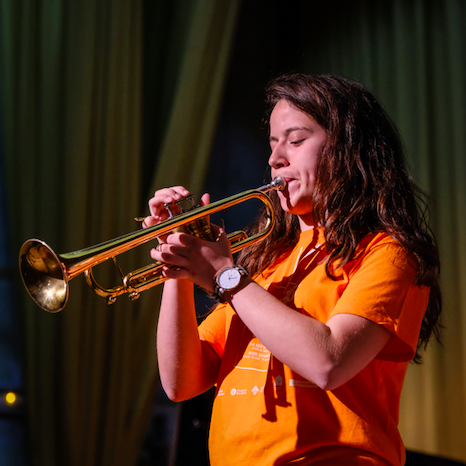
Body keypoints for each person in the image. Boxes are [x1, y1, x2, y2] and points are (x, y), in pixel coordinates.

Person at [143, 73, 442, 465]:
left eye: (296, 141)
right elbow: (181, 382)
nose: (274, 159)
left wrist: (225, 276)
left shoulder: (387, 252)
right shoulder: (271, 259)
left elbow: (328, 362)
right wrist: (178, 267)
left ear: (349, 150)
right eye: (273, 143)